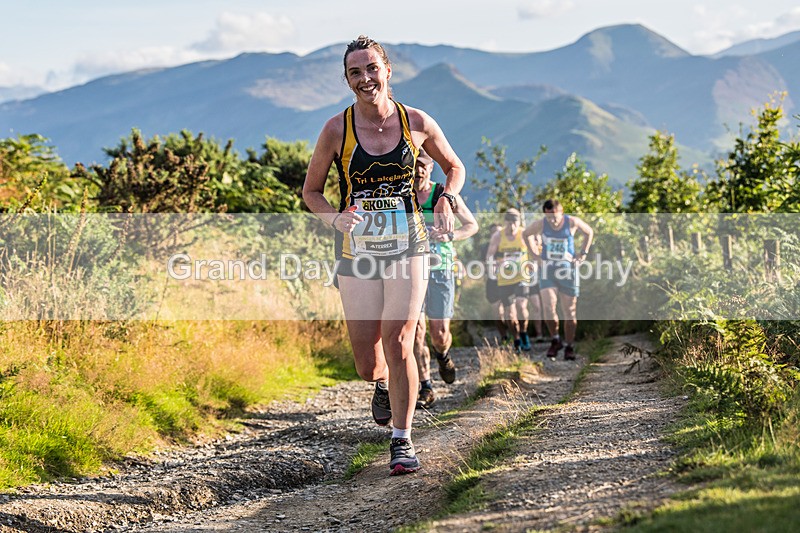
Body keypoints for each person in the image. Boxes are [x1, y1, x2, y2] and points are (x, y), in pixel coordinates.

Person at [302, 35, 465, 476]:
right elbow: (311, 192)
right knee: (366, 358)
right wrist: (334, 218)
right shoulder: (337, 129)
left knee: (399, 339)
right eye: (356, 72)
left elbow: (455, 167)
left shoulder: (416, 121)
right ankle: (381, 383)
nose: (365, 78)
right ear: (347, 79)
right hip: (358, 251)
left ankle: (402, 439)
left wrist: (447, 198)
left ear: (387, 71)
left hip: (409, 245)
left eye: (372, 68)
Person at [412, 148, 478, 409]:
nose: (418, 171)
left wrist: (450, 236)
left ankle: (443, 354)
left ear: (430, 169)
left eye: (422, 166)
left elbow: (472, 225)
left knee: (439, 332)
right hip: (411, 271)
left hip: (441, 268)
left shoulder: (442, 194)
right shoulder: (403, 196)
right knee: (417, 332)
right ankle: (425, 386)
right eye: (414, 165)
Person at [522, 199, 594, 360]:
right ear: (545, 214)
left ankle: (569, 345)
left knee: (569, 311)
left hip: (568, 271)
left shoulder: (572, 222)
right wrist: (535, 255)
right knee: (548, 307)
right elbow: (525, 234)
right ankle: (555, 339)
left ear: (561, 212)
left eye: (555, 216)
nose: (553, 221)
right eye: (549, 217)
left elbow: (589, 232)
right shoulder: (541, 224)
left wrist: (583, 253)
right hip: (548, 270)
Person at [485, 209, 537, 353]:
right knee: (510, 313)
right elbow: (489, 255)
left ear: (519, 222)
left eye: (515, 223)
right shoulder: (497, 236)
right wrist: (494, 264)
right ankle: (516, 340)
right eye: (510, 223)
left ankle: (524, 333)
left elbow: (534, 252)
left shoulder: (524, 234)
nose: (512, 227)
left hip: (521, 276)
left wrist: (535, 264)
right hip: (504, 279)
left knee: (521, 306)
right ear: (505, 222)